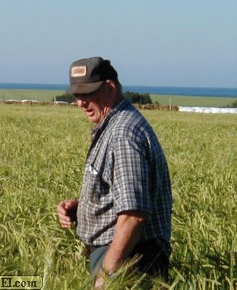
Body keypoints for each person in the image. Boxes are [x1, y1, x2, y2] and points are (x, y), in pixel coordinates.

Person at [56, 57, 172, 288]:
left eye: (87, 94)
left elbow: (133, 214)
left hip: (130, 260)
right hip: (123, 254)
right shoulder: (114, 124)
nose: (80, 102)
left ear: (109, 88)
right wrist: (85, 207)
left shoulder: (122, 134)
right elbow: (125, 197)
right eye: (77, 95)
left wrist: (108, 275)